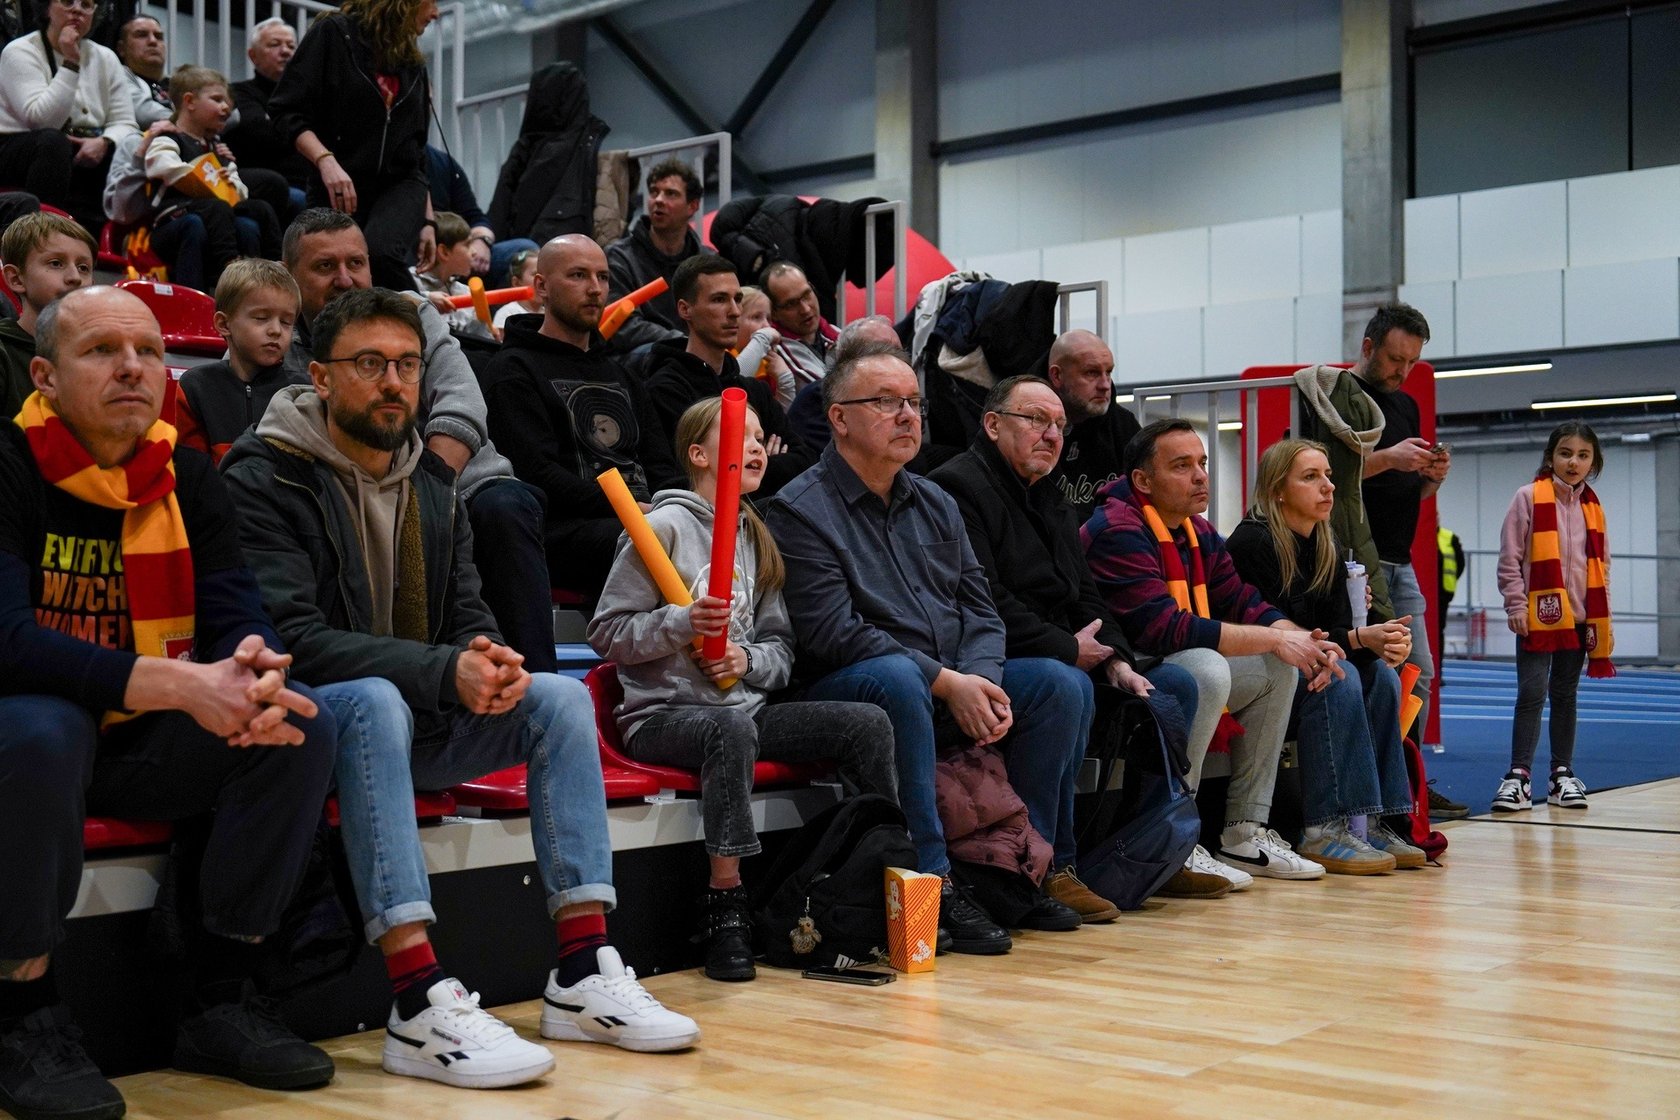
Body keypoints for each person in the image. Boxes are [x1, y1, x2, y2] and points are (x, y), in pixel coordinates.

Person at [221, 287, 700, 1089]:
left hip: (419, 721)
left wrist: (490, 656)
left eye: (407, 365)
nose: (393, 383)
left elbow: (467, 611)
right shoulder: (266, 474)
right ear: (321, 376)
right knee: (371, 699)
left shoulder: (433, 482)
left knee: (556, 697)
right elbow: (293, 641)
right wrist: (447, 671)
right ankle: (417, 1000)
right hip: (309, 731)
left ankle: (582, 968)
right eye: (369, 364)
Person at [0, 287, 339, 1120]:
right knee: (45, 727)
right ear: (44, 376)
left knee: (297, 722)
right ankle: (21, 1013)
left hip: (135, 737)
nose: (133, 368)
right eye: (101, 352)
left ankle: (221, 995)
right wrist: (179, 683)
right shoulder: (7, 463)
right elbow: (7, 642)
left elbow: (234, 608)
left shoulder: (186, 473)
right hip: (27, 733)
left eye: (149, 352)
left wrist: (256, 670)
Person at [767, 343, 1094, 953]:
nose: (907, 415)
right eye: (886, 402)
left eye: (914, 403)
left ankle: (1019, 872)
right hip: (854, 684)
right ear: (839, 418)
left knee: (1059, 683)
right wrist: (949, 682)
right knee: (897, 676)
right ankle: (933, 881)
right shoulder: (799, 510)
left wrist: (981, 679)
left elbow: (980, 605)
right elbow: (835, 632)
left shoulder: (936, 500)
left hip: (951, 677)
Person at [589, 397, 897, 981]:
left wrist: (744, 658)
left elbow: (780, 649)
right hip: (664, 718)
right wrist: (680, 623)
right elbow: (607, 633)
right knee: (729, 728)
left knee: (866, 722)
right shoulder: (662, 527)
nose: (756, 447)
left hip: (743, 708)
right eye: (741, 437)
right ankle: (726, 902)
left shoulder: (756, 535)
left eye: (760, 437)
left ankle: (876, 873)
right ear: (700, 455)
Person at [929, 374, 1192, 920]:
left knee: (1174, 684)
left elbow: (1087, 594)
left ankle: (1144, 854)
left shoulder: (1050, 492)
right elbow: (981, 597)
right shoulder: (956, 486)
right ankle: (1047, 866)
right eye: (1036, 420)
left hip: (1062, 649)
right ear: (993, 424)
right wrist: (1067, 650)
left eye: (1058, 425)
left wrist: (1116, 659)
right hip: (987, 656)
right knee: (1062, 684)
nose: (1052, 435)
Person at [280, 208, 557, 672]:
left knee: (506, 506)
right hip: (342, 492)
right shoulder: (273, 331)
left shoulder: (410, 310)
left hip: (455, 480)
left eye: (356, 263)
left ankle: (530, 683)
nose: (345, 279)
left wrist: (424, 493)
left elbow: (462, 400)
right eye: (325, 266)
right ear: (288, 275)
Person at [1084, 419, 1340, 888]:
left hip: (1165, 666)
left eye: (1201, 463)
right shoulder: (1117, 529)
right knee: (1206, 668)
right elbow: (1164, 628)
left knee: (1277, 668)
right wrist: (1275, 639)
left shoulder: (1196, 530)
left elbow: (1242, 599)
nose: (1201, 475)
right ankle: (1173, 839)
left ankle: (1244, 833)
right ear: (1143, 480)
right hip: (1120, 674)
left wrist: (1301, 641)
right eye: (1182, 466)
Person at [1227, 439, 1426, 873]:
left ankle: (1379, 820)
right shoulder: (1252, 542)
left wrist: (1385, 640)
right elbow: (1276, 634)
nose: (1328, 487)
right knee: (1342, 676)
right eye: (1311, 477)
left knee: (1382, 676)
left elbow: (1339, 628)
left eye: (1329, 476)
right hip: (1266, 671)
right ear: (1278, 490)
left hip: (1313, 663)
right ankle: (1324, 829)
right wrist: (1356, 640)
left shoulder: (1325, 541)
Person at [482, 233, 684, 599]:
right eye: (578, 275)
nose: (595, 289)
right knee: (661, 540)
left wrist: (678, 507)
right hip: (566, 530)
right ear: (541, 287)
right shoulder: (512, 370)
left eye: (602, 277)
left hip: (644, 517)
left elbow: (660, 464)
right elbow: (538, 474)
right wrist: (630, 510)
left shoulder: (623, 375)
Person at [269, 0, 437, 291]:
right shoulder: (333, 33)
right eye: (432, 1)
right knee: (332, 275)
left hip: (400, 184)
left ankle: (420, 313)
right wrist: (325, 160)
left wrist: (428, 221)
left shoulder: (413, 62)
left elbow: (415, 151)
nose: (435, 13)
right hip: (336, 181)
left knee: (379, 254)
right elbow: (285, 112)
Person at [1492, 421, 1613, 813]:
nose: (1573, 462)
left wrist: (1601, 617)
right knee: (1531, 693)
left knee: (1565, 694)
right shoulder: (1527, 497)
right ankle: (1518, 777)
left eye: (1583, 455)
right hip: (1537, 617)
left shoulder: (1594, 509)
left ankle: (1562, 775)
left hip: (1578, 619)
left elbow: (1603, 567)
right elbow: (1510, 558)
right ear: (1550, 457)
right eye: (1565, 453)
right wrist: (1515, 605)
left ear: (1593, 463)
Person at [642, 253, 812, 496]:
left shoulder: (755, 390)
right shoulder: (665, 390)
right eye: (719, 299)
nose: (734, 311)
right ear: (685, 309)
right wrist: (766, 461)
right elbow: (685, 483)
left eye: (738, 299)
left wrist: (737, 467)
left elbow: (803, 461)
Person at [0, 0, 139, 232]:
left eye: (86, 5)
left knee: (133, 149)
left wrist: (104, 142)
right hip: (22, 148)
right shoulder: (20, 50)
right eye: (67, 2)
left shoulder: (106, 57)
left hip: (86, 149)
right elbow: (40, 119)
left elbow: (126, 123)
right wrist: (71, 62)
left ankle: (104, 239)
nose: (77, 9)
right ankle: (42, 233)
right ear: (47, 8)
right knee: (53, 142)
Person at [143, 64, 280, 293]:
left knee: (258, 212)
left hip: (214, 216)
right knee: (204, 217)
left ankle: (275, 270)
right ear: (189, 101)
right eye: (217, 99)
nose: (226, 107)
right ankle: (227, 271)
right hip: (172, 222)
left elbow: (240, 191)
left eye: (227, 101)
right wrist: (206, 178)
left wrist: (230, 183)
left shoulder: (219, 150)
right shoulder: (168, 137)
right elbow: (161, 166)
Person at [176, 258, 300, 463]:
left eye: (286, 322)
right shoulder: (197, 386)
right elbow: (193, 471)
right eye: (261, 318)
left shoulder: (301, 392)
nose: (276, 330)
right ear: (224, 324)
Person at [603, 156, 701, 351]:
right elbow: (622, 326)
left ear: (692, 206)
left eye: (671, 194)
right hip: (641, 356)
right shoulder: (619, 257)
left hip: (692, 353)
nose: (658, 200)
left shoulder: (706, 262)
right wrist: (685, 344)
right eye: (654, 192)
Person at [0, 210, 92, 416]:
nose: (75, 277)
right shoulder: (4, 352)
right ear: (16, 279)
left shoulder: (102, 353)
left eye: (83, 268)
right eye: (56, 263)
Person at [1044, 329, 1141, 524]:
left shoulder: (1123, 425)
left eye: (1109, 372)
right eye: (1091, 373)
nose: (1105, 385)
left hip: (1112, 539)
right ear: (1057, 376)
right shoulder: (1023, 423)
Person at [423, 145, 537, 287]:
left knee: (525, 252)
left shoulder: (442, 162)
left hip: (454, 252)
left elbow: (476, 217)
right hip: (418, 258)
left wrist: (482, 241)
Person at [225, 17, 313, 199]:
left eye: (291, 46)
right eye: (274, 44)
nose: (285, 51)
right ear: (253, 56)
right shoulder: (238, 92)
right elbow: (259, 134)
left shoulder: (308, 96)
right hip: (271, 186)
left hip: (311, 183)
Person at [414, 209, 493, 341]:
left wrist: (487, 327)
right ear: (444, 252)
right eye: (468, 244)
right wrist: (425, 299)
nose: (474, 252)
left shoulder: (466, 292)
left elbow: (480, 340)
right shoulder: (410, 282)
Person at [760, 260, 836, 391]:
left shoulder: (833, 332)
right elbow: (835, 394)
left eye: (806, 295)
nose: (805, 309)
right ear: (774, 313)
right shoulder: (777, 351)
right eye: (791, 304)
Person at [732, 284, 794, 406]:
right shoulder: (722, 356)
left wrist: (785, 382)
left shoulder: (769, 364)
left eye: (768, 319)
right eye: (756, 317)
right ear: (735, 321)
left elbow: (781, 415)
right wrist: (763, 338)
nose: (766, 326)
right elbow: (733, 389)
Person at [113, 13, 167, 127]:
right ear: (121, 48)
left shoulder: (176, 83)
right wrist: (190, 122)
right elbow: (144, 114)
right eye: (141, 35)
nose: (153, 41)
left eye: (159, 37)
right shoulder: (115, 75)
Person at [491, 246, 540, 332]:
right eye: (535, 274)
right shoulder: (507, 313)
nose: (542, 280)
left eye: (546, 274)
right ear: (516, 282)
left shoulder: (551, 314)